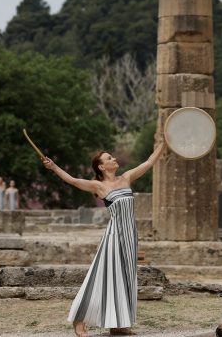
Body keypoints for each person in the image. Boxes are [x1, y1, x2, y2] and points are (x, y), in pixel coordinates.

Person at [42, 142, 166, 337]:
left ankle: (117, 324)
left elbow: (150, 162)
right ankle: (79, 320)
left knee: (125, 279)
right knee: (100, 277)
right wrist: (53, 166)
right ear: (101, 166)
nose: (114, 159)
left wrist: (165, 143)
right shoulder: (98, 186)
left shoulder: (126, 178)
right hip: (114, 236)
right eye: (109, 158)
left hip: (131, 236)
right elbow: (73, 180)